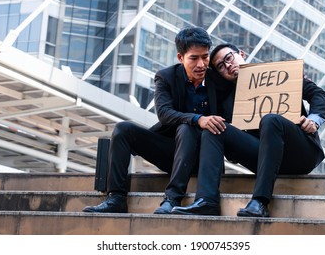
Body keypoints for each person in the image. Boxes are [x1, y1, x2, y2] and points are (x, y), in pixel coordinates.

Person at [171, 43, 325, 217]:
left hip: (300, 151)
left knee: (270, 120)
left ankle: (260, 202)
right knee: (213, 126)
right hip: (263, 157)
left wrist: (313, 121)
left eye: (229, 58)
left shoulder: (278, 73)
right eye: (221, 67)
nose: (228, 66)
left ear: (242, 54)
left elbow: (318, 95)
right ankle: (206, 201)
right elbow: (230, 141)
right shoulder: (229, 103)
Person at [82, 27, 226, 215]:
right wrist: (198, 119)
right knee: (123, 129)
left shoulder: (217, 80)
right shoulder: (166, 77)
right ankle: (116, 198)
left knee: (186, 128)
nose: (201, 64)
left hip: (205, 160)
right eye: (194, 58)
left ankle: (172, 199)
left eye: (205, 57)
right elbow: (165, 114)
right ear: (180, 58)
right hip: (172, 153)